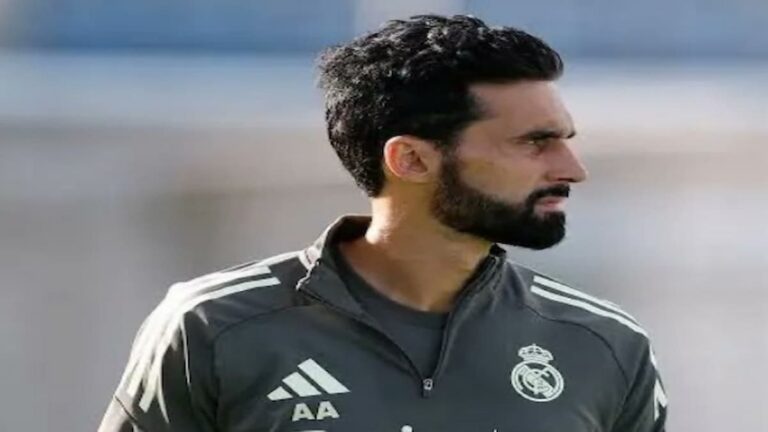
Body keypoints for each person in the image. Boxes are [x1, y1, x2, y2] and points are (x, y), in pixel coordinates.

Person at [98, 14, 667, 432]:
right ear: (412, 160)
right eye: (535, 142)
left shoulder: (605, 343)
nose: (573, 169)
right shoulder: (212, 326)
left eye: (564, 140)